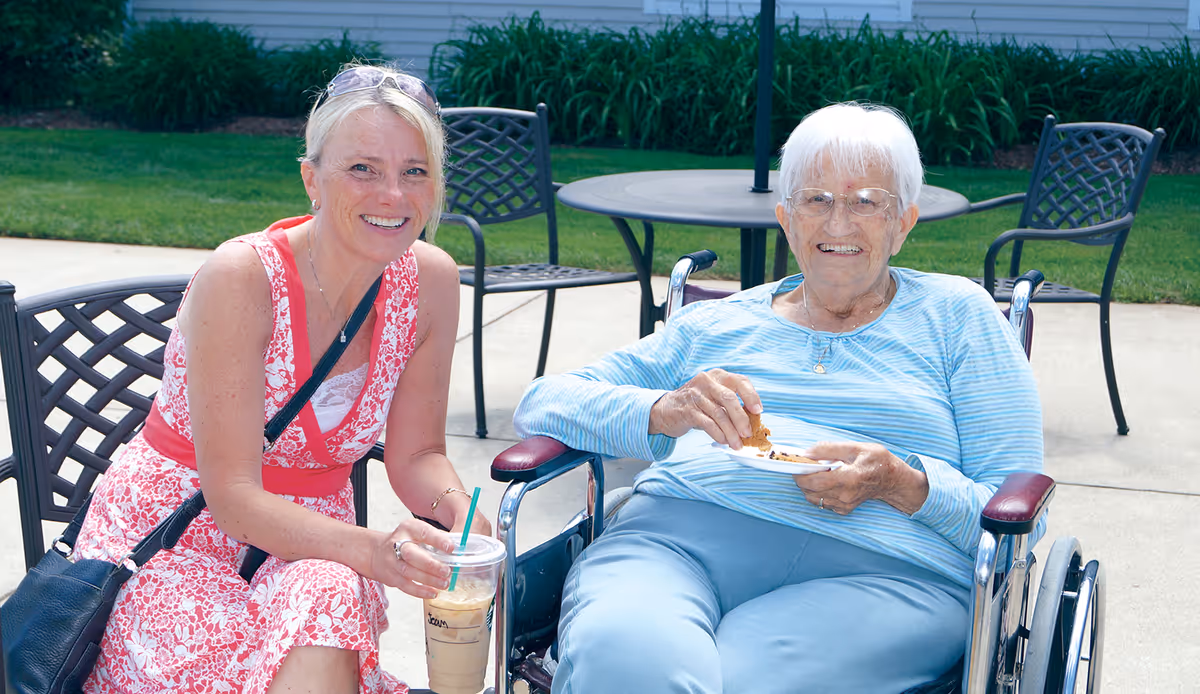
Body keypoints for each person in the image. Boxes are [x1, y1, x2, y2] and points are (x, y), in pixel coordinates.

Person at [513, 102, 1043, 693]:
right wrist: (664, 411)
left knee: (747, 681)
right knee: (623, 658)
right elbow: (544, 402)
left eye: (866, 201)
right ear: (786, 219)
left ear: (904, 222)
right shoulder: (716, 325)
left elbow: (1014, 511)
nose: (838, 223)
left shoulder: (960, 317)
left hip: (887, 570)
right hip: (677, 539)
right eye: (816, 200)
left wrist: (902, 482)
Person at [74, 64, 492, 694]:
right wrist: (377, 551)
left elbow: (419, 455)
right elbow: (234, 497)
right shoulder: (243, 279)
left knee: (326, 591)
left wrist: (459, 515)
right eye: (363, 169)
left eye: (416, 171)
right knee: (317, 603)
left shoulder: (430, 283)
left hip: (315, 545)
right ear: (311, 178)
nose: (393, 196)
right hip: (174, 542)